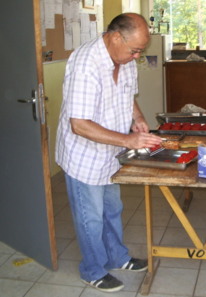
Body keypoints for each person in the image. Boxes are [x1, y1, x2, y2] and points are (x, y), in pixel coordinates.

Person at [55, 13, 163, 292]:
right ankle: (91, 270)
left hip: (110, 154)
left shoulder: (124, 58)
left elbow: (128, 96)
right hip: (84, 155)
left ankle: (117, 256)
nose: (137, 56)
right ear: (116, 37)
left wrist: (137, 119)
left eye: (140, 50)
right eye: (135, 50)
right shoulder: (86, 64)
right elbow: (79, 125)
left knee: (112, 208)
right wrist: (129, 140)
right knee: (90, 216)